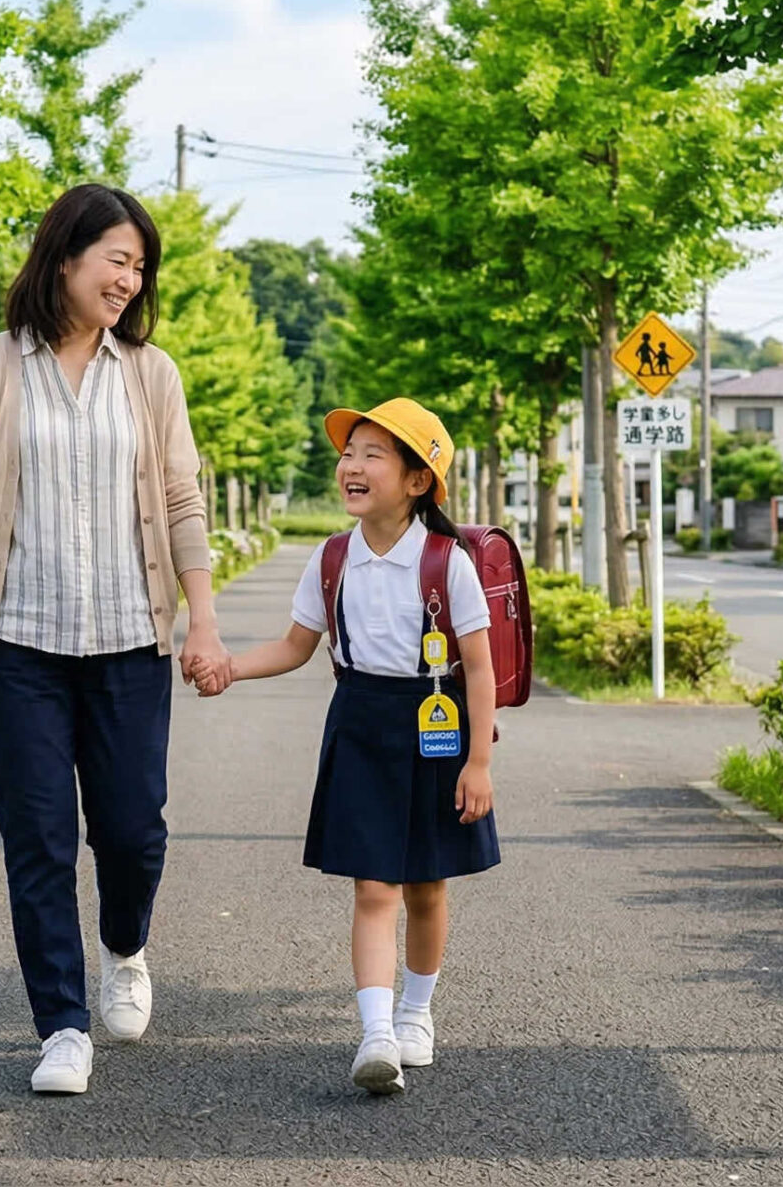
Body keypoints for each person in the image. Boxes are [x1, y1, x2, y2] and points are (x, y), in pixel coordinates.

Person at [0, 184, 230, 1097]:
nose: (131, 281)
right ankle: (61, 1023)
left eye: (141, 268)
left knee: (134, 830)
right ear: (65, 257)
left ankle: (125, 947)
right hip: (17, 643)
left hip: (130, 640)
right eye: (118, 260)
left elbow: (181, 499)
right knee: (40, 838)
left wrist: (203, 613)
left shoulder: (151, 374)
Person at [202, 397, 500, 1095]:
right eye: (348, 453)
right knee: (374, 884)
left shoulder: (445, 561)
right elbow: (296, 644)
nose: (352, 466)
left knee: (426, 885)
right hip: (361, 721)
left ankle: (416, 1011)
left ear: (418, 479)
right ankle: (375, 1032)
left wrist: (480, 761)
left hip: (436, 725)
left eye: (372, 454)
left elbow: (479, 665)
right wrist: (230, 667)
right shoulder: (332, 557)